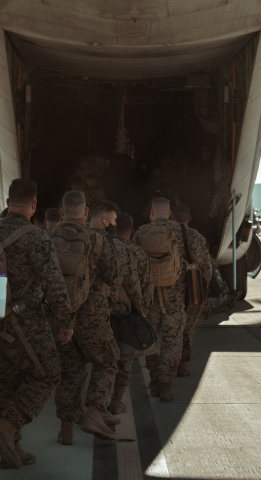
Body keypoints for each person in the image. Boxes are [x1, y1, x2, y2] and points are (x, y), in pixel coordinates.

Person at [0, 178, 73, 470]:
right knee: (48, 374)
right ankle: (7, 427)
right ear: (33, 205)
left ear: (7, 203)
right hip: (25, 321)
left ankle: (11, 448)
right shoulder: (37, 238)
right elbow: (54, 284)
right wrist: (65, 321)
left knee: (7, 381)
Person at [54, 195, 122, 445]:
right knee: (109, 360)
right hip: (92, 316)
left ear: (61, 211)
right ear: (85, 211)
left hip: (62, 317)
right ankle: (94, 411)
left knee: (70, 372)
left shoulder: (49, 238)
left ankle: (66, 430)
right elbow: (115, 277)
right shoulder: (97, 239)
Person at [133, 197, 203, 402]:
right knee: (172, 341)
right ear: (171, 213)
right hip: (176, 298)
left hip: (150, 298)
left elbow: (132, 264)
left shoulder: (140, 233)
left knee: (152, 340)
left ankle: (154, 381)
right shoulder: (186, 234)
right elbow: (199, 262)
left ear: (152, 213)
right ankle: (165, 386)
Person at [108, 213, 154, 414]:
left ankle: (96, 402)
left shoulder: (104, 246)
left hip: (102, 310)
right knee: (125, 357)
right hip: (126, 314)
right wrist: (142, 313)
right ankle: (116, 400)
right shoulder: (138, 253)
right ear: (132, 232)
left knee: (101, 358)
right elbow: (146, 287)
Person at [173, 204, 212, 377]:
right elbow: (207, 271)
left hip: (170, 288)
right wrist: (204, 293)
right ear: (189, 219)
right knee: (187, 328)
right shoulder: (199, 238)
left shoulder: (168, 235)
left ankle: (164, 366)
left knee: (169, 328)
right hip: (192, 288)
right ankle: (181, 364)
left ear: (172, 217)